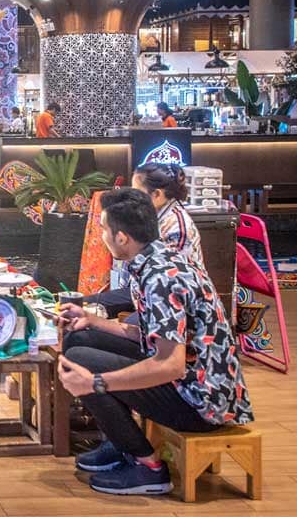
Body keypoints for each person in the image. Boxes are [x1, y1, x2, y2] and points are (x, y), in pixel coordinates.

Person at [59, 188, 252, 496]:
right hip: (188, 379)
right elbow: (155, 335)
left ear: (122, 237)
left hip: (200, 402)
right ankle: (120, 442)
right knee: (79, 337)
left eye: (104, 230)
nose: (102, 236)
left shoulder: (162, 277)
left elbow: (170, 365)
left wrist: (96, 382)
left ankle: (148, 467)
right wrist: (94, 320)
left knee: (82, 361)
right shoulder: (155, 258)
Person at [88, 162, 204, 317]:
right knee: (84, 304)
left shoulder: (177, 227)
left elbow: (165, 285)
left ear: (156, 194)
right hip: (143, 289)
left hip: (172, 306)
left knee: (91, 316)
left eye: (137, 192)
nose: (132, 198)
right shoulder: (152, 215)